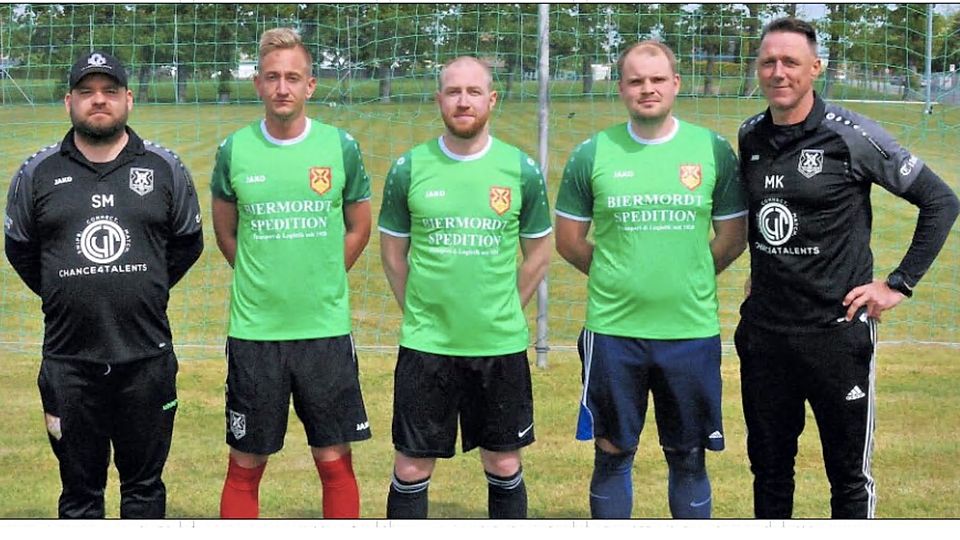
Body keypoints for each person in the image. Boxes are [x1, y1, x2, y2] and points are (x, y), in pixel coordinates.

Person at [736, 17, 959, 519]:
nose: (778, 72)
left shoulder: (852, 136)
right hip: (766, 334)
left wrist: (897, 285)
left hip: (836, 334)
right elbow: (768, 217)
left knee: (848, 475)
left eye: (790, 62)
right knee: (769, 470)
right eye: (768, 61)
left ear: (815, 67)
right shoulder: (750, 135)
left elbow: (941, 201)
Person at [3, 51, 203, 518]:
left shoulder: (162, 167)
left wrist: (144, 285)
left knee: (144, 489)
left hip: (146, 360)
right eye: (87, 92)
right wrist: (67, 288)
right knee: (79, 494)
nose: (99, 101)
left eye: (110, 91)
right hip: (69, 363)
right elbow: (22, 252)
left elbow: (186, 244)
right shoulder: (38, 172)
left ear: (128, 99)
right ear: (68, 102)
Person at [554, 41, 747, 519]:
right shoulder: (591, 153)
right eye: (636, 80)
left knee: (688, 456)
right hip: (614, 332)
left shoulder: (712, 150)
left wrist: (689, 275)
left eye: (658, 79)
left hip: (689, 330)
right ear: (621, 88)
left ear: (675, 84)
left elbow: (731, 237)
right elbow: (570, 241)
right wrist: (619, 278)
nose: (648, 89)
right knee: (613, 452)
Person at [378, 56, 553, 519]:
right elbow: (393, 254)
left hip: (498, 344)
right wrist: (418, 308)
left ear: (491, 99)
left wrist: (506, 308)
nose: (463, 100)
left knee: (504, 461)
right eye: (453, 91)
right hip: (426, 345)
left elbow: (539, 251)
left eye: (474, 92)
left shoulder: (521, 170)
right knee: (412, 466)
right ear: (439, 99)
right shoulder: (408, 169)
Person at [210, 28, 372, 519]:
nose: (283, 87)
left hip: (323, 331)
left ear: (311, 86)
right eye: (273, 77)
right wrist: (266, 276)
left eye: (293, 78)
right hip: (256, 332)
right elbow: (227, 235)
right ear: (258, 84)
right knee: (245, 462)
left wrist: (322, 273)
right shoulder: (234, 150)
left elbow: (359, 227)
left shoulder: (339, 147)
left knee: (334, 459)